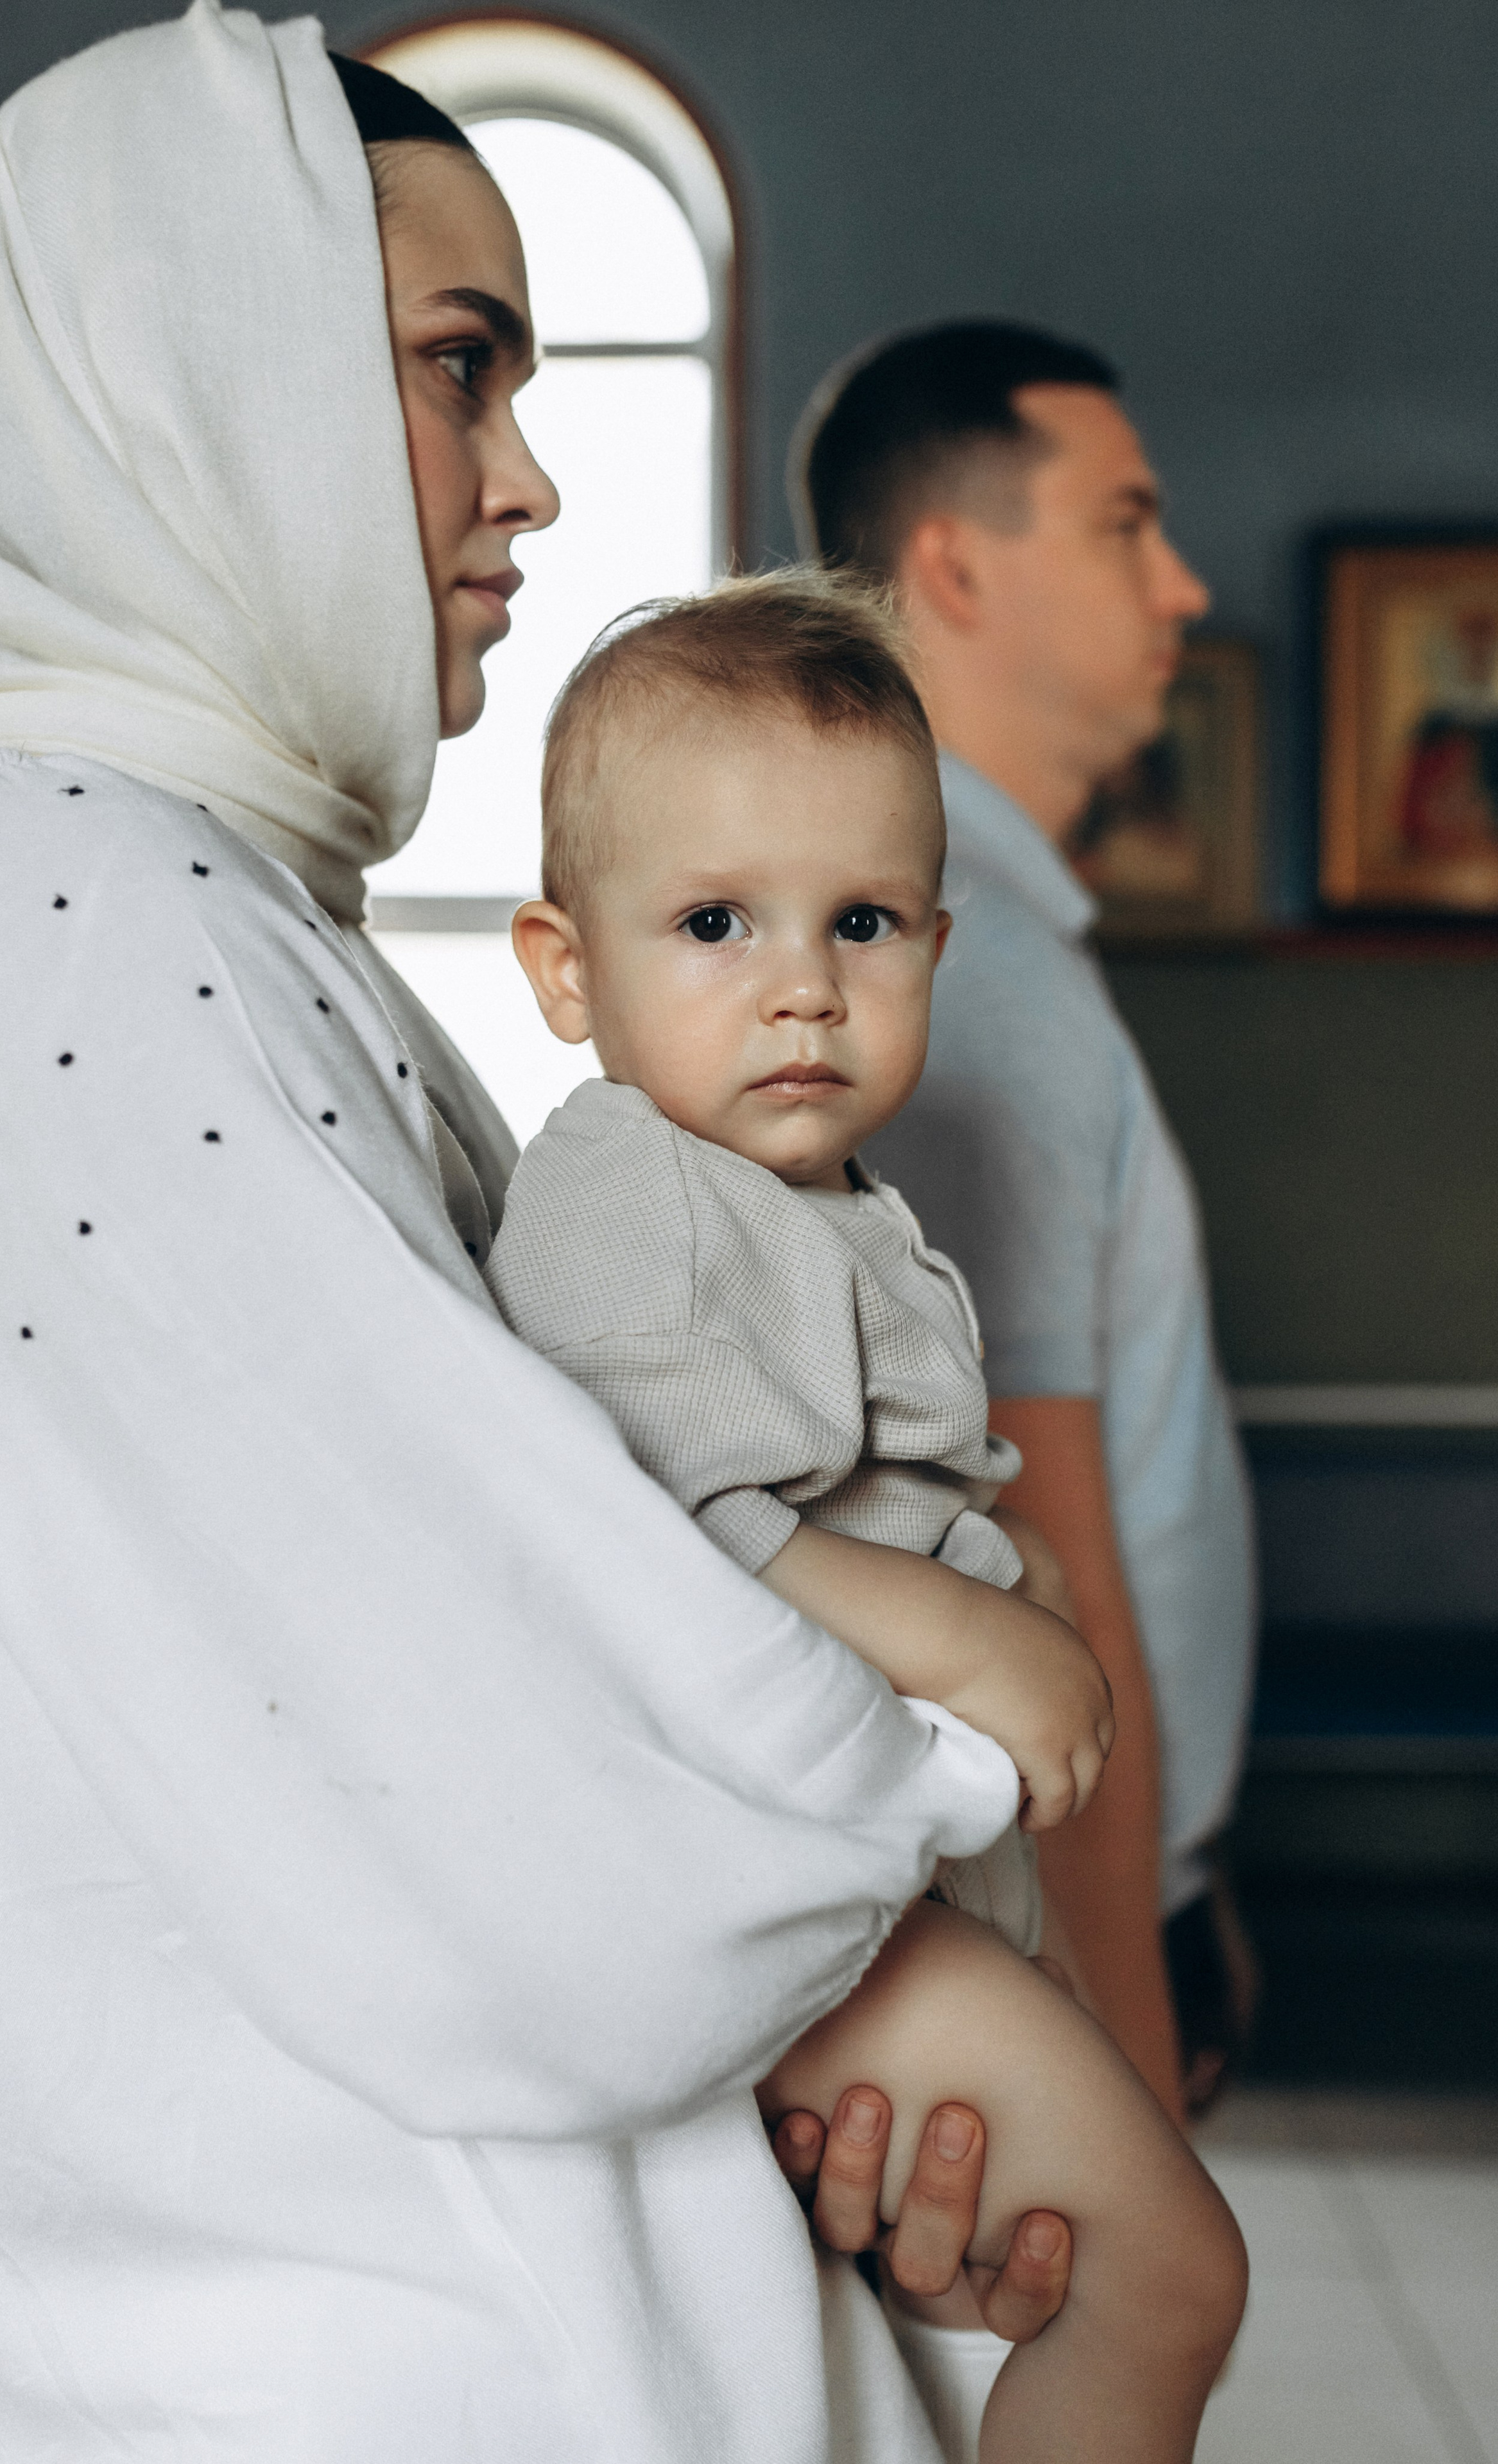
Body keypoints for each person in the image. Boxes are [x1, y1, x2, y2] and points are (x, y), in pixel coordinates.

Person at [0, 20, 1067, 2459]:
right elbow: (517, 1746)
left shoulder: (168, 880)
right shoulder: (73, 896)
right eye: (453, 372)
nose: (527, 481)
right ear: (185, 370)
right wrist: (950, 1754)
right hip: (358, 2331)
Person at [490, 569, 1248, 2461]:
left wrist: (1015, 1572)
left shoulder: (823, 1196)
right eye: (716, 923)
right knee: (1166, 2271)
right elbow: (646, 1528)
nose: (803, 982)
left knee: (1014, 2281)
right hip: (781, 1894)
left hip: (903, 1877)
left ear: (935, 937)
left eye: (865, 923)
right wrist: (978, 1630)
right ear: (565, 967)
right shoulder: (625, 1187)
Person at [795, 323, 1259, 2126]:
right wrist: (1125, 2079)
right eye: (1128, 525)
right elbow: (1036, 1560)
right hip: (1041, 1887)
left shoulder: (974, 935)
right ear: (958, 567)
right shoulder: (951, 970)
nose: (1186, 582)